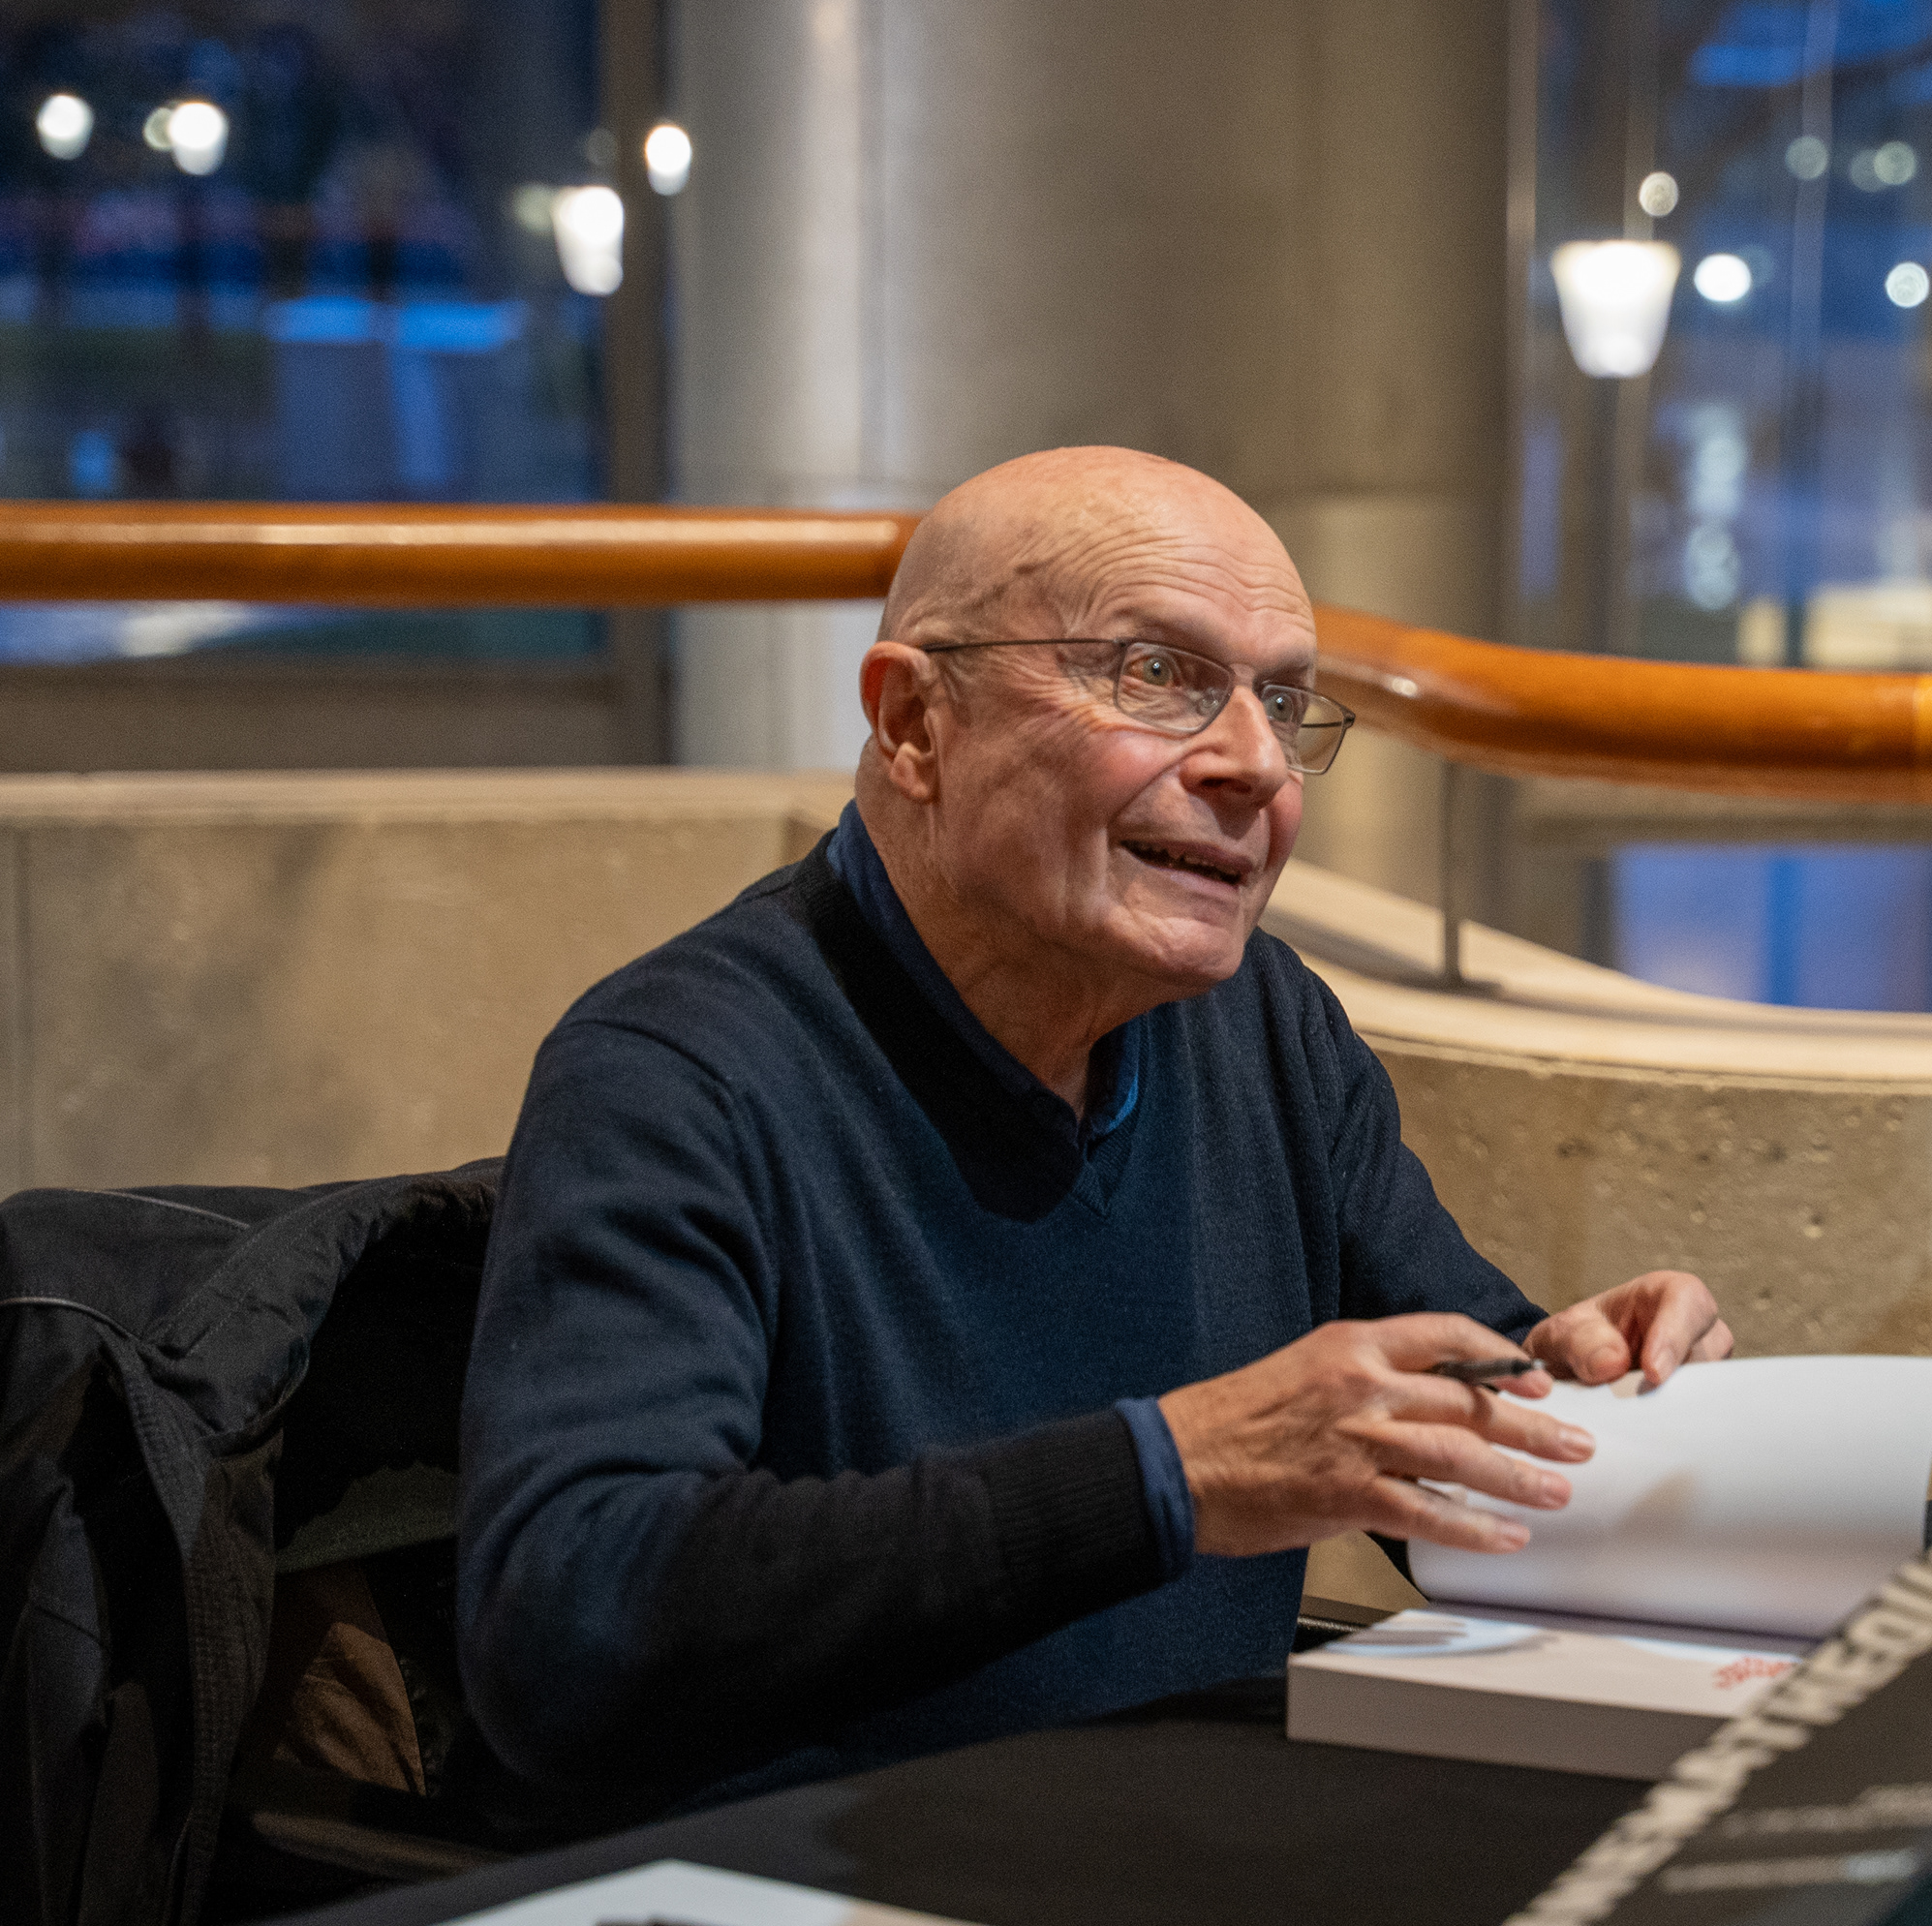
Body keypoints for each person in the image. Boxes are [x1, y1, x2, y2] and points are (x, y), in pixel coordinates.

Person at [459, 447, 1731, 1810]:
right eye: (1158, 675)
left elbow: (1448, 1460)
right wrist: (1167, 1473)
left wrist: (1588, 1394)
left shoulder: (1268, 1029)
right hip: (820, 1886)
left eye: (1281, 700)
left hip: (1188, 1849)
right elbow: (570, 1629)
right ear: (914, 724)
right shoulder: (675, 1070)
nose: (1255, 764)